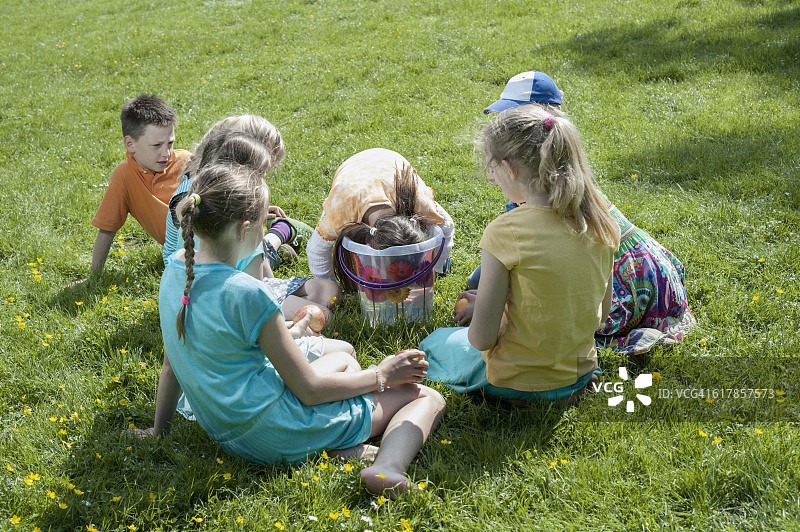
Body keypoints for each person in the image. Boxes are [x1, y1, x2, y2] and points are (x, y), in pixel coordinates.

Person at [148, 163, 446, 497]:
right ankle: (385, 466)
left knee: (345, 360)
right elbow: (311, 391)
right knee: (424, 396)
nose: (266, 230)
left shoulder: (176, 269)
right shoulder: (247, 292)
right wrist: (382, 374)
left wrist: (160, 430)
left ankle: (333, 445)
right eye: (265, 224)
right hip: (275, 429)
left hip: (225, 430)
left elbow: (172, 364)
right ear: (244, 229)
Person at [464, 70, 695, 355]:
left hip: (631, 283)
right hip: (645, 271)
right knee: (481, 277)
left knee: (491, 281)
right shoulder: (565, 177)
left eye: (510, 118)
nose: (501, 125)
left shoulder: (535, 196)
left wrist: (496, 310)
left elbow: (554, 273)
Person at [423, 106, 620, 405]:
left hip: (517, 384)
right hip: (578, 374)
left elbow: (482, 339)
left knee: (435, 344)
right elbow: (600, 315)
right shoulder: (600, 221)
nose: (491, 178)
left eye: (492, 168)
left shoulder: (506, 231)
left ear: (511, 168)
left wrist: (492, 310)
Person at [162, 115, 339, 320]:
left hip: (240, 282)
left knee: (331, 291)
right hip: (225, 295)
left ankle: (277, 239)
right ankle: (279, 236)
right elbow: (254, 291)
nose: (263, 181)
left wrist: (273, 287)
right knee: (324, 315)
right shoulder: (213, 210)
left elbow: (261, 279)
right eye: (262, 174)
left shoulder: (209, 192)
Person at [83, 94, 190, 281]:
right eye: (156, 145)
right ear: (130, 144)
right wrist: (94, 277)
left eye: (170, 143)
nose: (166, 153)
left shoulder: (187, 162)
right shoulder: (123, 176)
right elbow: (107, 229)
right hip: (182, 256)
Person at [307, 148, 455, 282]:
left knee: (440, 262)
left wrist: (437, 269)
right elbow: (316, 251)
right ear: (368, 246)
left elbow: (447, 226)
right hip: (354, 172)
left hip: (390, 166)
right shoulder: (340, 210)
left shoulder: (418, 201)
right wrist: (330, 286)